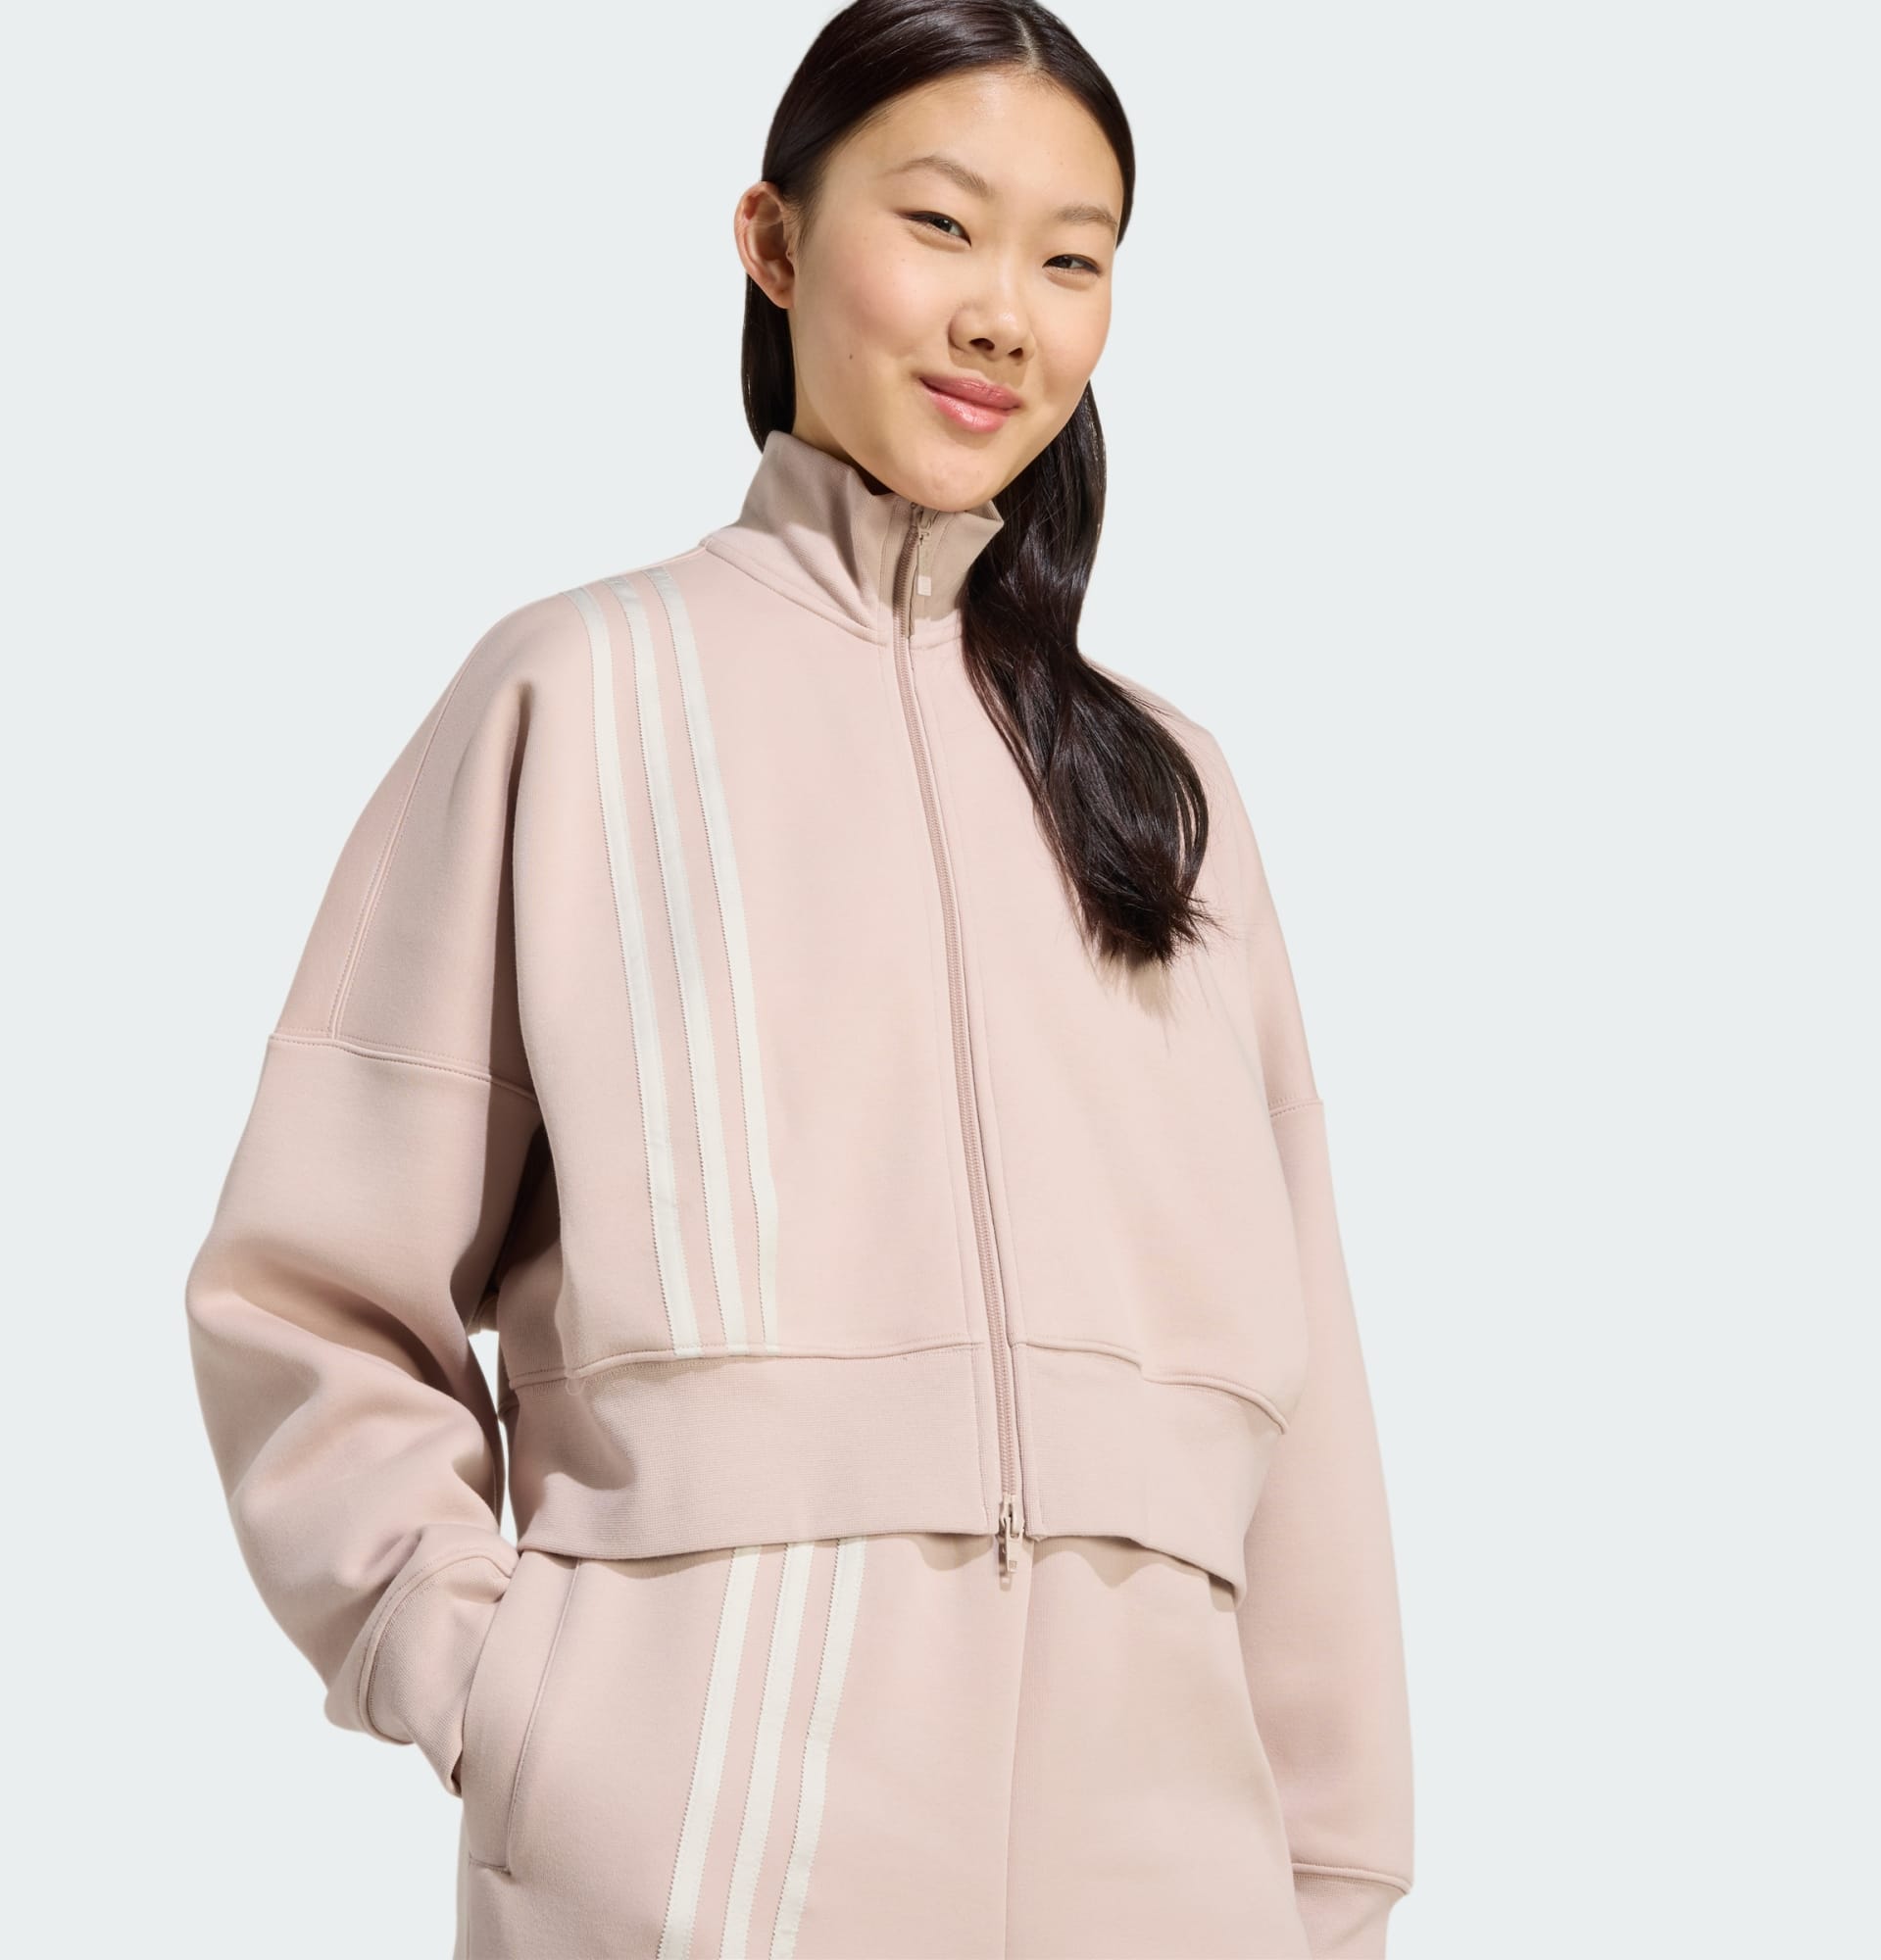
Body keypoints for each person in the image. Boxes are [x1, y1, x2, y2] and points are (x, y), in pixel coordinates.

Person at [182, 3, 1414, 1954]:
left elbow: (1299, 1375)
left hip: (1169, 1874)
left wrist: (1331, 1870)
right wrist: (499, 1691)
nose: (1003, 314)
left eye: (1072, 259)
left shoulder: (1161, 794)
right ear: (771, 241)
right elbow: (312, 1296)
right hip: (702, 1854)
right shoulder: (576, 695)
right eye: (941, 225)